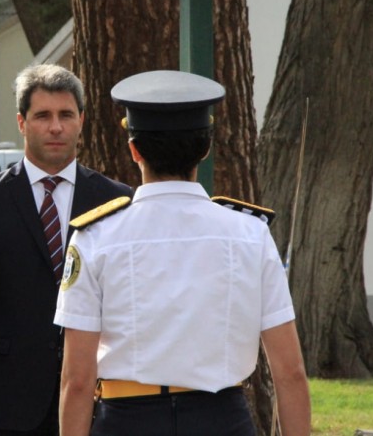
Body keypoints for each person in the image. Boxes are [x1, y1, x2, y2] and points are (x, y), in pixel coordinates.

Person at [55, 70, 312, 436]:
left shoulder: (96, 236)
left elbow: (77, 380)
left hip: (128, 421)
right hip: (222, 419)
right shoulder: (250, 233)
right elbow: (290, 372)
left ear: (134, 149)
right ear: (205, 149)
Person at [0, 64, 133, 436]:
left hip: (98, 403)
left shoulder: (116, 200)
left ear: (81, 120)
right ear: (22, 122)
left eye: (66, 115)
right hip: (7, 406)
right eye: (43, 116)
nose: (56, 127)